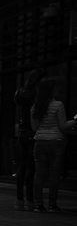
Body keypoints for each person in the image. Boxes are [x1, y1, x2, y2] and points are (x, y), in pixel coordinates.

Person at [30, 78, 75, 213]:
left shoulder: (35, 107)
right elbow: (63, 126)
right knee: (54, 175)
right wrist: (75, 120)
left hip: (40, 141)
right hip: (56, 141)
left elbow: (34, 128)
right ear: (52, 90)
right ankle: (52, 204)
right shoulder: (58, 105)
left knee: (39, 174)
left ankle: (38, 204)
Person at [13, 68, 42, 210]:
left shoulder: (20, 93)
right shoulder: (37, 96)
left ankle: (19, 200)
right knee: (31, 168)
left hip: (22, 133)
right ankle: (30, 200)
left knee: (21, 167)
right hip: (32, 133)